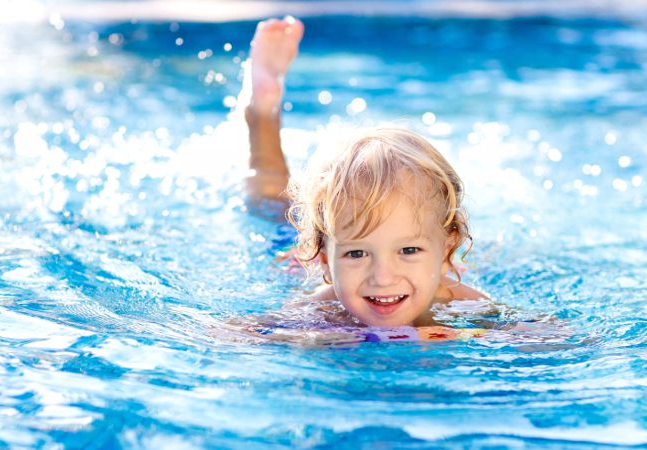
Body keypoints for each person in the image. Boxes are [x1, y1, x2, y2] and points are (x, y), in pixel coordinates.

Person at [234, 17, 558, 345]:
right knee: (272, 203)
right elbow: (231, 335)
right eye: (357, 253)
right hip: (296, 256)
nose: (383, 277)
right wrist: (311, 339)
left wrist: (465, 334)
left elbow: (553, 336)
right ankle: (261, 110)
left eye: (408, 249)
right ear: (324, 263)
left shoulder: (460, 303)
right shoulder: (322, 308)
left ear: (447, 248)